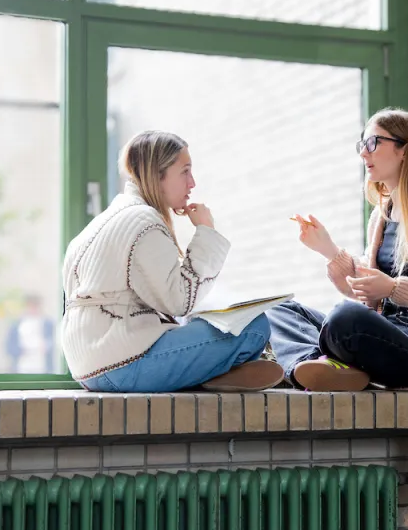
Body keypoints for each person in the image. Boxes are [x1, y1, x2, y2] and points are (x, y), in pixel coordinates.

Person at [266, 108, 408, 525]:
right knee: (279, 309)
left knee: (344, 320)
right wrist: (329, 250)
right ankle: (315, 365)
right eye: (362, 144)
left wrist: (394, 289)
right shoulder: (383, 214)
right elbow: (371, 294)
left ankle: (328, 362)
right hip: (387, 332)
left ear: (405, 150)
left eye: (373, 142)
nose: (364, 153)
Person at [61, 130, 281, 393]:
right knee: (254, 326)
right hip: (122, 365)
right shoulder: (143, 222)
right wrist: (206, 231)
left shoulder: (103, 222)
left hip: (89, 367)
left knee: (204, 322)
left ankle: (214, 372)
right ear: (157, 174)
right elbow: (179, 301)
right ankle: (217, 372)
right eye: (185, 172)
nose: (192, 183)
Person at [6, 294, 56, 373]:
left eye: (35, 305)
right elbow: (10, 346)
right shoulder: (16, 324)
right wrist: (21, 350)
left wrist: (46, 346)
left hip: (42, 366)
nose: (33, 308)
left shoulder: (47, 323)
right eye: (30, 305)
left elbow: (54, 341)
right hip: (22, 366)